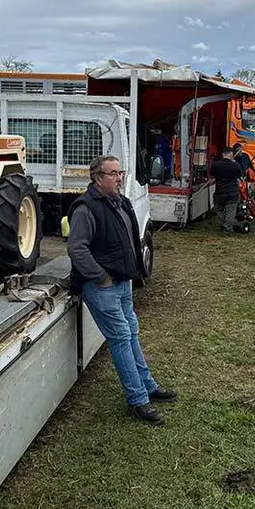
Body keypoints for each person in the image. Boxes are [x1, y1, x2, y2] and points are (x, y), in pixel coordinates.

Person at [68, 155, 176, 425]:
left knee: (131, 334)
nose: (119, 178)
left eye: (121, 172)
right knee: (120, 339)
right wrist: (100, 276)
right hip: (103, 287)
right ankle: (138, 400)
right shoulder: (86, 208)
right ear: (97, 178)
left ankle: (148, 386)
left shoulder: (121, 202)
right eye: (113, 173)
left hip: (123, 282)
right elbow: (76, 248)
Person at [211, 147, 242, 234]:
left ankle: (224, 224)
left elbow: (211, 174)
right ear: (231, 155)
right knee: (231, 211)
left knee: (218, 209)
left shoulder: (216, 165)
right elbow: (239, 174)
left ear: (223, 154)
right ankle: (227, 228)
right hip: (233, 191)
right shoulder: (236, 165)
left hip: (220, 190)